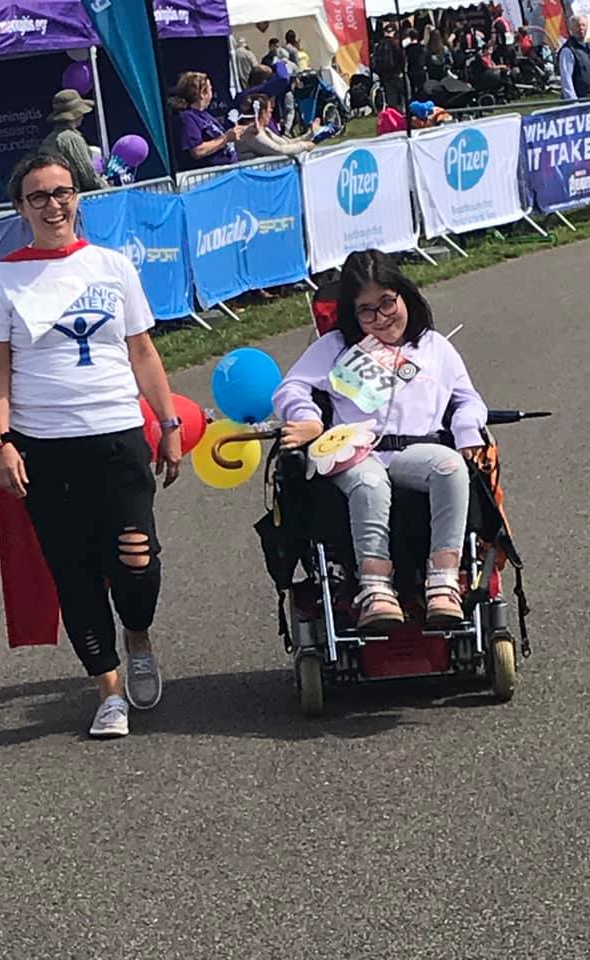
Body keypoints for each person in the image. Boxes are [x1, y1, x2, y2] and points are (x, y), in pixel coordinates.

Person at [0, 153, 182, 739]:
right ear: (21, 207)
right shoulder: (1, 279)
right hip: (45, 448)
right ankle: (108, 689)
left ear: (77, 197)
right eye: (38, 196)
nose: (53, 205)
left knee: (137, 562)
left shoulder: (112, 266)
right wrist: (0, 442)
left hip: (117, 434)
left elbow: (142, 351)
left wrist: (168, 422)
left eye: (62, 192)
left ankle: (136, 637)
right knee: (75, 573)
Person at [273, 249, 487, 630]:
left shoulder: (435, 348)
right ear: (353, 314)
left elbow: (467, 399)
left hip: (416, 451)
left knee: (451, 467)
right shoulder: (336, 348)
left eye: (387, 303)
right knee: (369, 482)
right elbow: (291, 388)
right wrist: (308, 419)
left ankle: (443, 581)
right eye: (366, 311)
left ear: (404, 295)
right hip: (356, 452)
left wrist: (467, 429)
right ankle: (375, 589)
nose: (381, 318)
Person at [170, 72, 245, 171]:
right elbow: (197, 151)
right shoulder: (187, 118)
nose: (212, 93)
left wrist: (246, 130)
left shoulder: (204, 115)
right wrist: (226, 138)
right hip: (212, 174)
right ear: (202, 94)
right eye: (210, 89)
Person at [40, 89, 105, 193]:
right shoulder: (73, 139)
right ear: (76, 114)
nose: (83, 116)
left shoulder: (49, 140)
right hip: (75, 196)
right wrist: (110, 189)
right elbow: (89, 177)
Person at [235, 94, 317, 161]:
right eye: (270, 111)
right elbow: (279, 150)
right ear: (263, 113)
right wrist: (304, 146)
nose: (270, 115)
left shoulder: (264, 130)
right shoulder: (252, 133)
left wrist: (309, 134)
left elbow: (286, 143)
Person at [374, 25, 406, 110]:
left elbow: (376, 61)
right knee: (403, 95)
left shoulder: (379, 45)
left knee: (391, 98)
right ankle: (402, 112)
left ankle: (392, 114)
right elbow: (402, 59)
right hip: (396, 73)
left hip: (385, 75)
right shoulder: (396, 43)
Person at [560, 15, 590, 100]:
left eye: (583, 25)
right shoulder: (567, 50)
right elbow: (566, 78)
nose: (581, 28)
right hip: (580, 101)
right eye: (577, 26)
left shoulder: (587, 48)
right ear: (571, 29)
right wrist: (572, 101)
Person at [405, 29, 429, 97]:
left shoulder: (408, 48)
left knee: (412, 88)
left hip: (411, 70)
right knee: (421, 88)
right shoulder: (422, 47)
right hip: (421, 70)